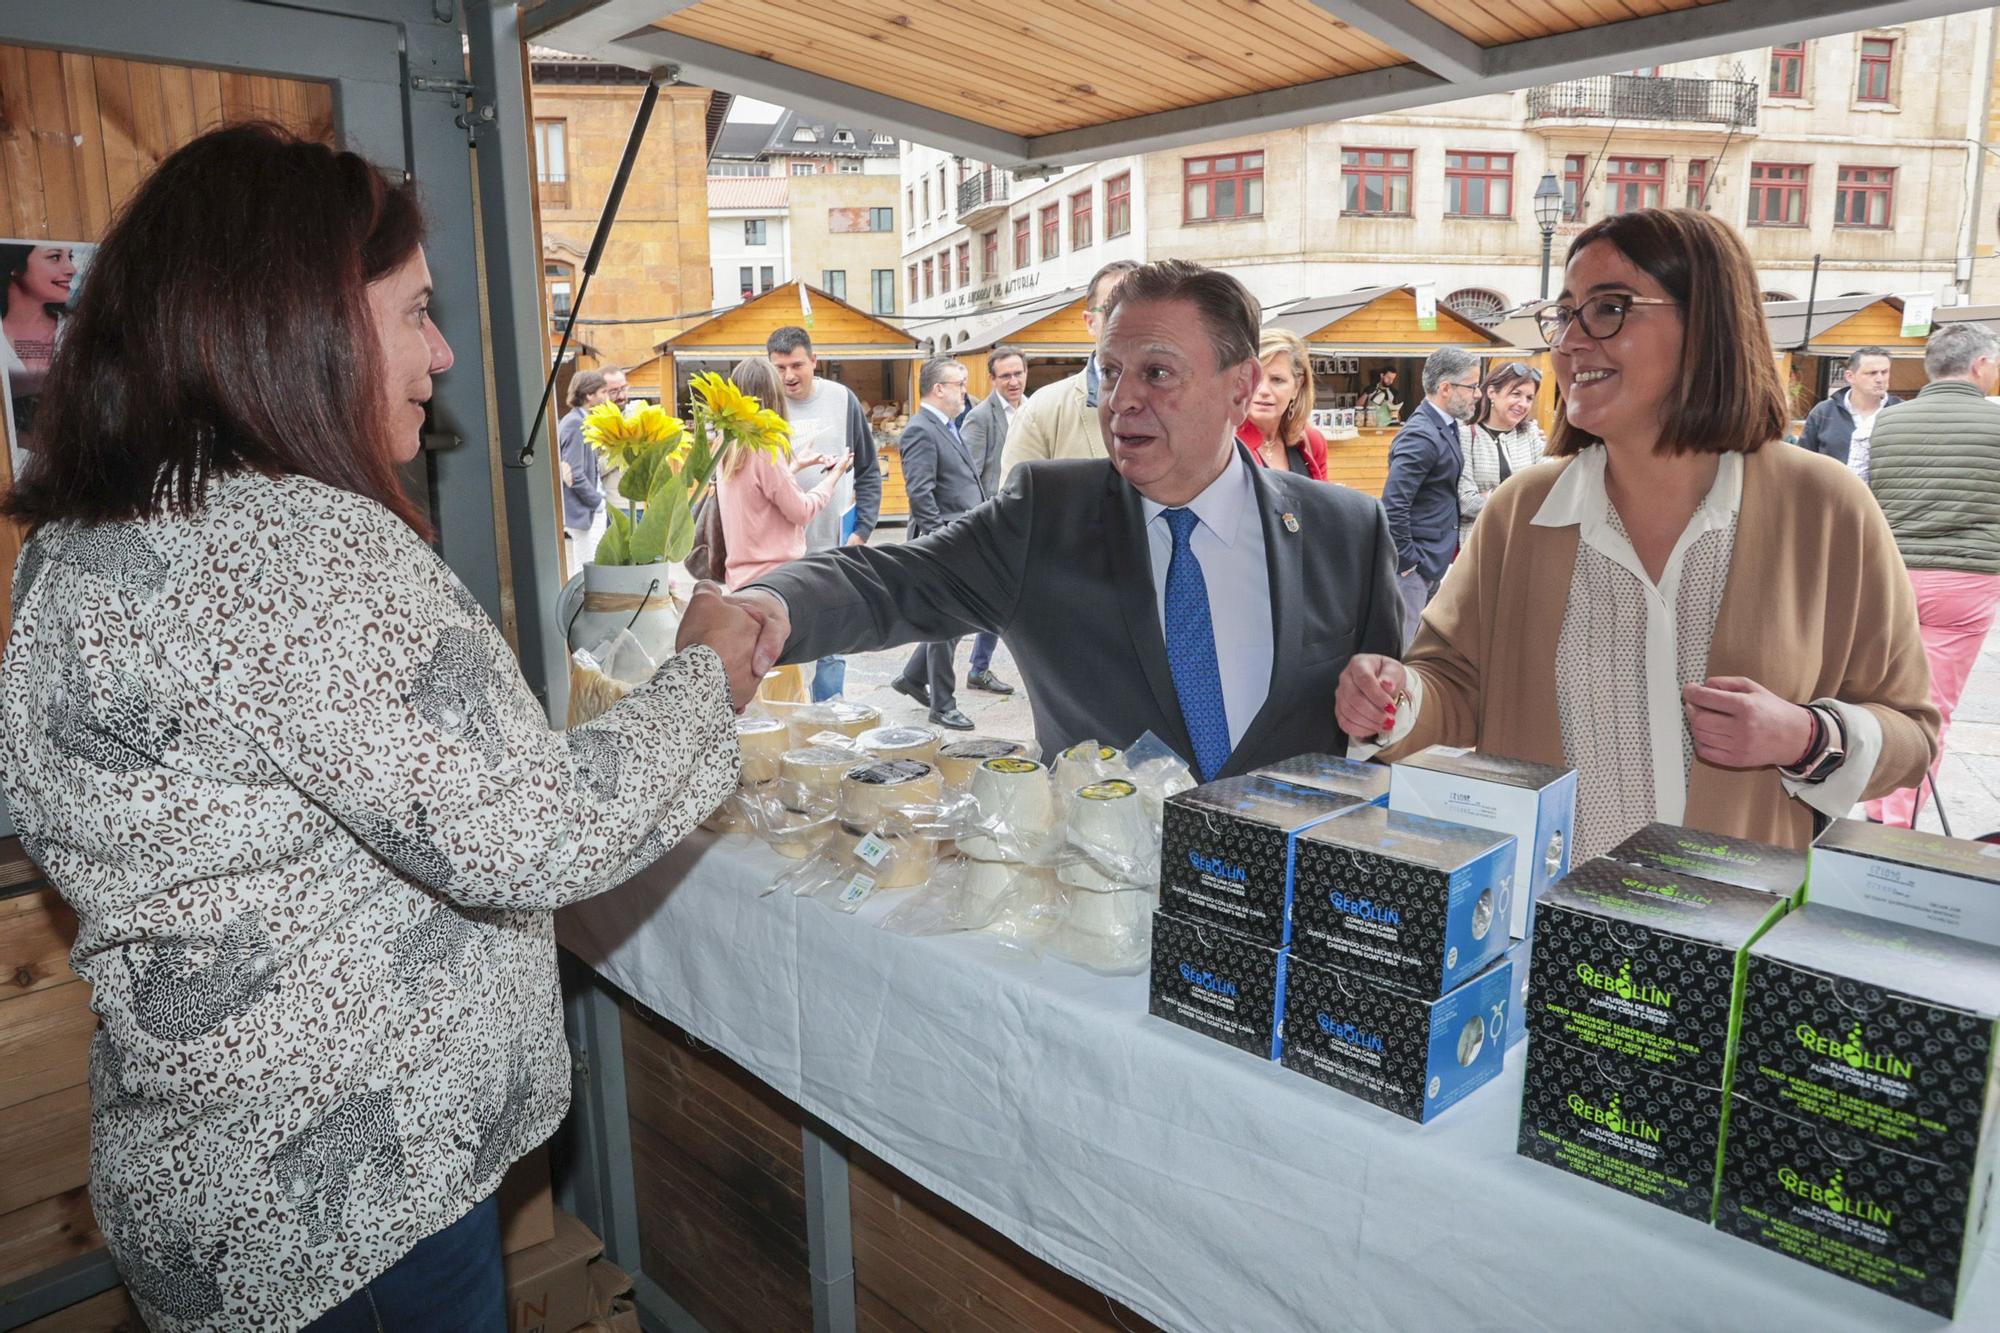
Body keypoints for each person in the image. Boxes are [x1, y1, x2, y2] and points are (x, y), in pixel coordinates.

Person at [0, 125, 768, 1333]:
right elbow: (537, 834)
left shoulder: (81, 544)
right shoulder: (306, 550)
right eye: (414, 311)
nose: (445, 351)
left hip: (201, 1196)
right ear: (297, 320)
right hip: (349, 1228)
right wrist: (701, 679)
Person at [1336, 207, 1937, 858]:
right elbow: (1452, 683)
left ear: (1707, 323)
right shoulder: (1521, 514)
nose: (1568, 341)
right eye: (1564, 314)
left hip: (1725, 935)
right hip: (1558, 930)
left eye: (1609, 308)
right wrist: (1392, 697)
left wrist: (1807, 735)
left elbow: (1910, 733)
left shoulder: (1825, 507)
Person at [722, 260, 1404, 778]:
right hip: (1095, 928)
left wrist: (1389, 710)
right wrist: (768, 608)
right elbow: (890, 580)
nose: (1122, 401)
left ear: (1242, 387)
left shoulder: (1347, 531)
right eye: (1110, 373)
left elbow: (1388, 732)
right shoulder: (1046, 516)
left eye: (1158, 374)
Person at [1862, 323, 2000, 827]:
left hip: (1892, 575)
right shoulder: (1995, 426)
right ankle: (1897, 820)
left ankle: (1875, 802)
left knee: (1885, 693)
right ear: (1980, 365)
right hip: (1966, 580)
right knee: (1933, 705)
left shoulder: (1889, 423)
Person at [766, 324, 882, 701]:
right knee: (783, 646)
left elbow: (867, 469)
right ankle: (790, 724)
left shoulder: (842, 399)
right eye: (779, 367)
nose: (788, 376)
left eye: (796, 365)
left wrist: (861, 531)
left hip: (835, 547)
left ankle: (829, 723)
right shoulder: (763, 407)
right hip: (781, 554)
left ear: (814, 361)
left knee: (833, 645)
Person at [888, 356, 981, 730]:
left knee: (957, 621)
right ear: (938, 388)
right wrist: (939, 537)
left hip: (961, 535)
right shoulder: (920, 429)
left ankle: (912, 678)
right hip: (944, 540)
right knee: (947, 622)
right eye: (959, 384)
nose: (965, 391)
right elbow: (920, 491)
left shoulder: (945, 425)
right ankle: (943, 705)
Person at [714, 357, 851, 589]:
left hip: (740, 579)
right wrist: (834, 477)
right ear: (773, 395)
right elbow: (802, 511)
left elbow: (756, 490)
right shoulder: (765, 448)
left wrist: (795, 465)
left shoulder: (725, 444)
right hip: (776, 581)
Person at [998, 259, 1138, 479]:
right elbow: (1016, 509)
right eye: (1113, 309)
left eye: (1140, 308)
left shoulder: (1183, 403)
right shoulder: (1041, 412)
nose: (1128, 319)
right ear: (1090, 322)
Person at [1381, 347, 1478, 647]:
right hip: (1415, 567)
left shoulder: (1446, 427)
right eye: (1472, 387)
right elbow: (1393, 503)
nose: (1477, 394)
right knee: (1404, 652)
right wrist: (1408, 559)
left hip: (1432, 561)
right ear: (1445, 388)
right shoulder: (1421, 434)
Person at [956, 345, 1027, 695]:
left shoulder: (1032, 409)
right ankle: (930, 668)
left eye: (1018, 373)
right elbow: (966, 472)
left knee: (1001, 599)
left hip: (1025, 520)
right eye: (1005, 376)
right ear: (992, 379)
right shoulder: (981, 417)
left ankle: (977, 668)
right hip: (993, 522)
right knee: (982, 600)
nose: (1013, 381)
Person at [1, 242, 78, 455]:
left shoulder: (81, 331)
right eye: (55, 257)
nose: (71, 269)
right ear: (15, 267)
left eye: (69, 257)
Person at [1457, 361, 1547, 542]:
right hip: (1479, 541)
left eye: (1529, 398)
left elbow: (1547, 489)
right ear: (1491, 393)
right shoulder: (1466, 436)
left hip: (1524, 540)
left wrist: (1490, 495)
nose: (1523, 404)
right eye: (1516, 394)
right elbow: (1466, 503)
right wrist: (1523, 497)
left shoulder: (1531, 434)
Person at [1236, 327, 1328, 480]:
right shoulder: (1223, 446)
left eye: (1277, 380)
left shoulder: (1311, 442)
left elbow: (1324, 502)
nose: (1264, 390)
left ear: (1297, 387)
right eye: (1254, 377)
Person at [1798, 346, 1899, 479]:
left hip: (1883, 497)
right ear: (1850, 376)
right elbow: (1803, 461)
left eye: (1884, 372)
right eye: (1872, 373)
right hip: (1832, 496)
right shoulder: (1824, 412)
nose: (1880, 379)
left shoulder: (1901, 412)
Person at [558, 368, 610, 573]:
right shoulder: (575, 424)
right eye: (603, 392)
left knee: (588, 569)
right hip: (585, 511)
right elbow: (572, 473)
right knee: (589, 571)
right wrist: (596, 502)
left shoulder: (577, 421)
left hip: (586, 509)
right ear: (589, 395)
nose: (607, 397)